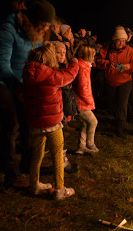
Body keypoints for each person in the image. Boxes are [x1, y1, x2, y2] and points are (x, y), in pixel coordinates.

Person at [0, 0, 55, 189]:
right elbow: (1, 64)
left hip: (21, 82)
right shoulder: (8, 31)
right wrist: (18, 87)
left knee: (29, 122)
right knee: (11, 122)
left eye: (49, 25)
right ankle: (11, 173)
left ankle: (29, 163)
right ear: (31, 20)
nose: (47, 29)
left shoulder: (39, 34)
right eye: (44, 24)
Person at [22, 44, 79, 200]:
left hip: (35, 122)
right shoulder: (49, 74)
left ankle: (34, 185)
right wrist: (74, 62)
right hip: (52, 123)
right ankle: (60, 189)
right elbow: (68, 75)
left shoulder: (27, 73)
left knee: (37, 153)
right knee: (57, 153)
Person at [95, 26, 133, 138]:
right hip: (110, 81)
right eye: (119, 40)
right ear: (114, 40)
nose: (121, 43)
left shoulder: (130, 51)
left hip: (125, 81)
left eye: (123, 41)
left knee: (122, 104)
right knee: (113, 103)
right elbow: (98, 61)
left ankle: (120, 128)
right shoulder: (107, 49)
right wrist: (107, 63)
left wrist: (129, 66)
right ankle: (115, 120)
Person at [54, 41, 79, 173]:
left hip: (62, 106)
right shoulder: (55, 69)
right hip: (56, 107)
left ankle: (60, 161)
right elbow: (65, 80)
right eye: (59, 52)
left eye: (64, 52)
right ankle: (60, 163)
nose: (62, 55)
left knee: (60, 135)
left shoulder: (63, 66)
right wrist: (74, 65)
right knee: (58, 138)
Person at [72, 44, 99, 154]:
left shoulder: (83, 66)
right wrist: (89, 100)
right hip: (81, 102)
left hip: (79, 101)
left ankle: (81, 146)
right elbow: (83, 87)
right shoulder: (83, 68)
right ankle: (90, 143)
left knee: (85, 123)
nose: (94, 57)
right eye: (92, 55)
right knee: (93, 121)